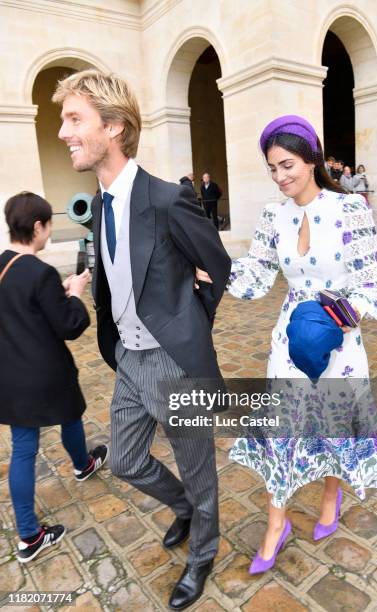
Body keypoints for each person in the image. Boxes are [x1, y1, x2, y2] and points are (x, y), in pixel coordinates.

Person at [53, 70, 231, 610]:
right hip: (128, 358)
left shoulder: (167, 198)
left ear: (113, 127)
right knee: (127, 461)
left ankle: (203, 552)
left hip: (176, 360)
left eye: (74, 119)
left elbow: (217, 265)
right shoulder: (99, 202)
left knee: (200, 472)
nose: (64, 132)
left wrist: (188, 321)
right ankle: (183, 509)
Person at [197, 115, 377, 573]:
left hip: (339, 340)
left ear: (311, 160)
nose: (281, 177)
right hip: (288, 340)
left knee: (332, 425)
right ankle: (275, 523)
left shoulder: (351, 210)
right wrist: (213, 272)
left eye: (288, 165)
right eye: (272, 168)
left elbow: (370, 285)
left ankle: (331, 495)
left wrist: (335, 321)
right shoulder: (273, 216)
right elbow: (258, 275)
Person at [0, 192, 108, 564]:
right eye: (47, 225)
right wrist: (75, 294)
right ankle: (83, 465)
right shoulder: (42, 272)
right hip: (46, 373)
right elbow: (70, 325)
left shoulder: (3, 265)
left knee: (24, 451)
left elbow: (22, 307)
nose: (49, 232)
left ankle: (28, 536)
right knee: (71, 415)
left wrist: (56, 295)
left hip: (10, 376)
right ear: (36, 228)